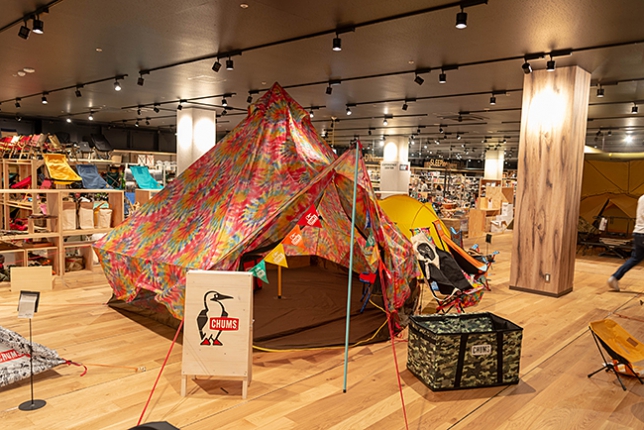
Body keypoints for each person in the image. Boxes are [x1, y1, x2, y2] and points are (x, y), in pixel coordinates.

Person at [608, 194, 644, 291]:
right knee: (635, 258)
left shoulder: (641, 198)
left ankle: (615, 277)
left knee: (635, 258)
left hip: (638, 233)